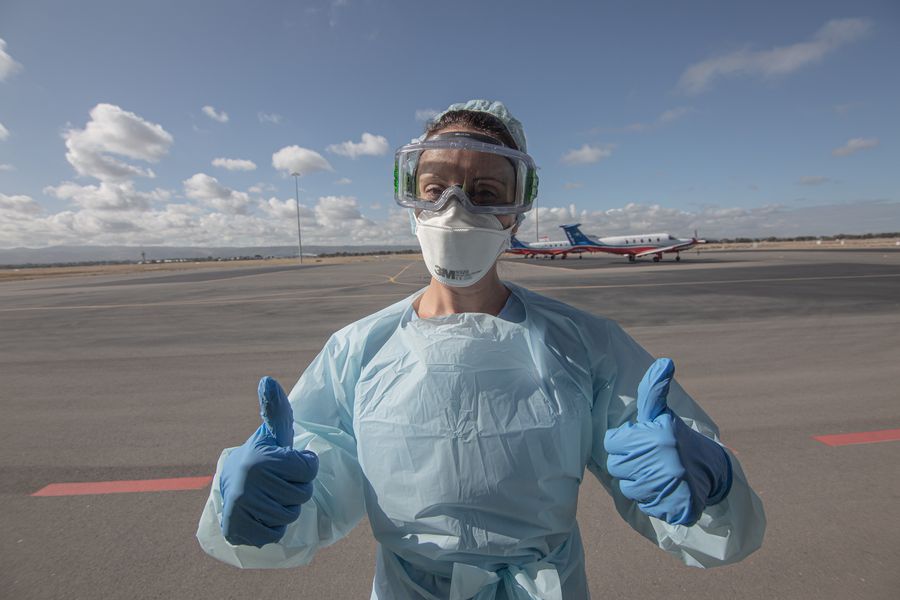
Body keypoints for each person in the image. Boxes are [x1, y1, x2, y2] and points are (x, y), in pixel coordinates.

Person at [196, 99, 766, 599]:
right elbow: (313, 500)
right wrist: (258, 505)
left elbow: (702, 524)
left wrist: (712, 486)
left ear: (516, 212)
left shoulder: (586, 346)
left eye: (486, 193)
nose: (456, 208)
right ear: (412, 202)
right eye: (435, 189)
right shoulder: (358, 351)